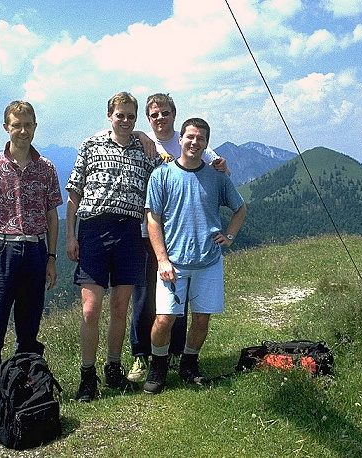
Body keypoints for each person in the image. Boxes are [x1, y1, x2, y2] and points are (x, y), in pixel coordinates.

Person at [65, 92, 164, 402]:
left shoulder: (145, 149)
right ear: (109, 115)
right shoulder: (90, 145)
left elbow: (171, 169)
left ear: (137, 119)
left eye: (131, 116)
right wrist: (70, 235)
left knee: (121, 307)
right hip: (93, 229)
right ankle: (87, 376)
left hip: (129, 232)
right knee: (91, 309)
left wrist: (214, 163)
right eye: (120, 115)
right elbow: (74, 193)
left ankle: (113, 368)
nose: (125, 121)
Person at [0, 100, 62, 420]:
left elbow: (52, 216)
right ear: (6, 127)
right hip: (0, 253)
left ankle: (24, 390)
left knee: (28, 331)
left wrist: (51, 258)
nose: (23, 131)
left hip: (35, 253)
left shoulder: (46, 168)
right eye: (16, 125)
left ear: (35, 126)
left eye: (28, 125)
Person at [127, 93, 230, 382]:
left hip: (183, 238)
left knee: (179, 304)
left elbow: (220, 169)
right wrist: (136, 131)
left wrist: (222, 167)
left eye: (165, 113)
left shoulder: (190, 140)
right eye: (154, 114)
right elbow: (115, 130)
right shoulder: (141, 138)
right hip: (146, 233)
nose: (160, 118)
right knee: (146, 299)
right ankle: (142, 356)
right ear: (148, 119)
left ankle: (176, 355)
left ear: (174, 115)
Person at [143, 117, 246, 394]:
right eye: (190, 136)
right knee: (165, 319)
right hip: (173, 262)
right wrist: (162, 259)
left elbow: (240, 207)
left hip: (209, 260)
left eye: (200, 138)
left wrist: (230, 236)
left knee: (201, 319)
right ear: (180, 139)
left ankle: (189, 363)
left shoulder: (216, 177)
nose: (194, 142)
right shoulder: (162, 175)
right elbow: (153, 219)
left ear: (206, 144)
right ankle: (159, 365)